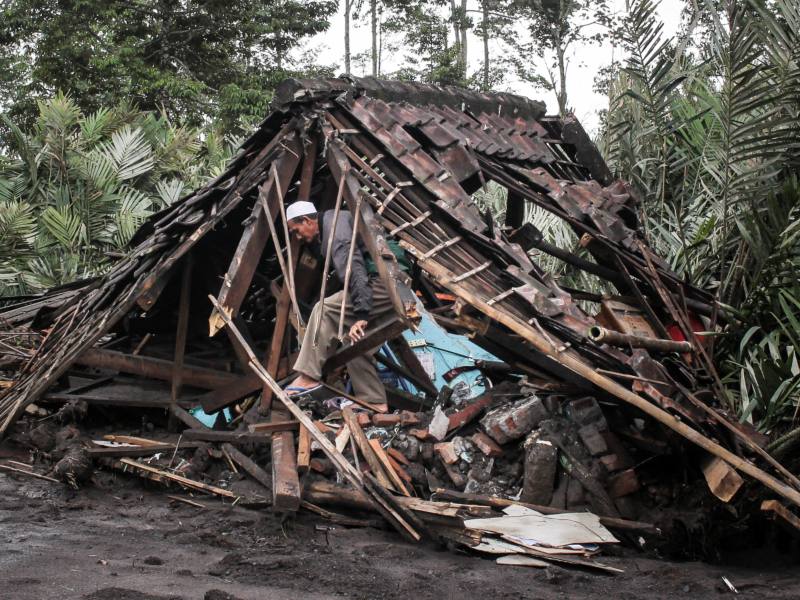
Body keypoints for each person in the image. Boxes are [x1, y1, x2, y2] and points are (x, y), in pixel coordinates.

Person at [284, 200, 395, 405]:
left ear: (307, 220)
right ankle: (374, 402)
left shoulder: (336, 230)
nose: (298, 237)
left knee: (323, 309)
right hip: (393, 286)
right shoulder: (336, 222)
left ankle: (308, 376)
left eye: (296, 231)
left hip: (387, 284)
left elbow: (355, 273)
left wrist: (362, 315)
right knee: (355, 344)